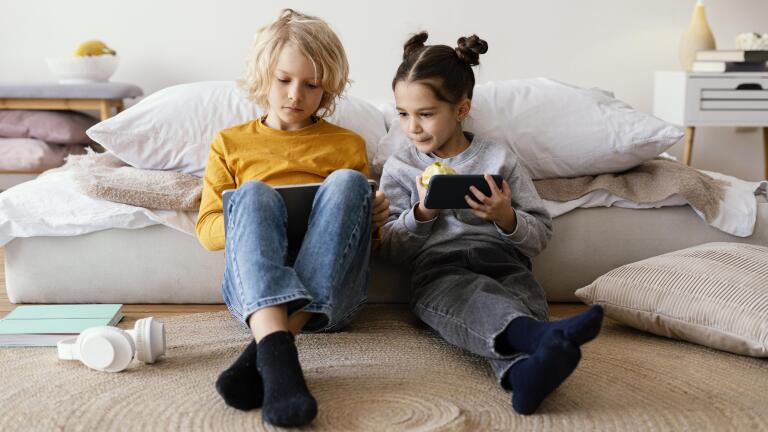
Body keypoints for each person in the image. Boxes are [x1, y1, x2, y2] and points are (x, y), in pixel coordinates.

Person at [378, 31, 603, 415]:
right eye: (403, 114)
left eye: (426, 114)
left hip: (506, 263)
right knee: (471, 300)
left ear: (461, 110)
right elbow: (391, 249)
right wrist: (423, 214)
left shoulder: (499, 159)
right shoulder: (400, 168)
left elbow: (539, 235)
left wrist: (506, 216)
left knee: (523, 299)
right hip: (440, 269)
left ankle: (525, 375)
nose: (412, 127)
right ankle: (542, 339)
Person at [195, 9, 390, 427]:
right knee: (252, 193)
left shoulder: (347, 145)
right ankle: (280, 353)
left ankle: (266, 352)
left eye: (311, 85)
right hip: (253, 291)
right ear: (264, 75)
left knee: (347, 184)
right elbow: (208, 232)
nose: (295, 95)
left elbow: (365, 245)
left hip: (335, 299)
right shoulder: (230, 143)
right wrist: (253, 219)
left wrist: (372, 217)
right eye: (284, 80)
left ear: (329, 88)